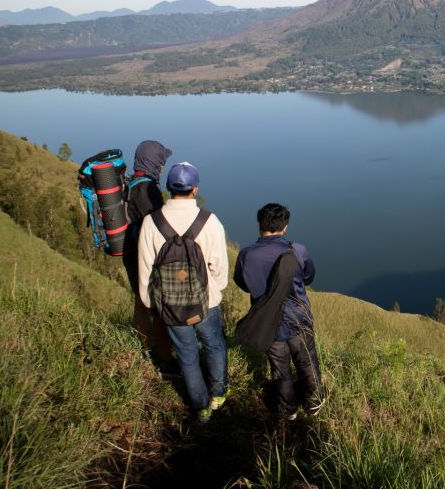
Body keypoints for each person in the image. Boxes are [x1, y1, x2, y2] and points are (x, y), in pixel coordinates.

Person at [138, 162, 230, 422]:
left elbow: (146, 267)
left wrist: (150, 302)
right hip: (207, 301)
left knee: (187, 355)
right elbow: (219, 266)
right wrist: (216, 290)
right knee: (214, 345)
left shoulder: (151, 222)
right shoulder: (209, 221)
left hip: (169, 303)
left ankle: (200, 407)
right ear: (195, 188)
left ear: (168, 188)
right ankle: (218, 395)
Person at [234, 203, 324, 421]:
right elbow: (309, 277)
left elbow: (242, 283)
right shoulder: (297, 250)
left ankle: (288, 409)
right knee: (307, 361)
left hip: (267, 322)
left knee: (279, 367)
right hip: (298, 319)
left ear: (259, 225)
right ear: (285, 227)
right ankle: (313, 403)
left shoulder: (246, 254)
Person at [121, 140, 175, 372]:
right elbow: (156, 227)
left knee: (140, 302)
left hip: (130, 251)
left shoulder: (132, 182)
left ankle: (146, 346)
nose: (162, 167)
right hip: (145, 256)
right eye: (161, 162)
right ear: (153, 162)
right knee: (156, 308)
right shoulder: (148, 189)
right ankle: (165, 359)